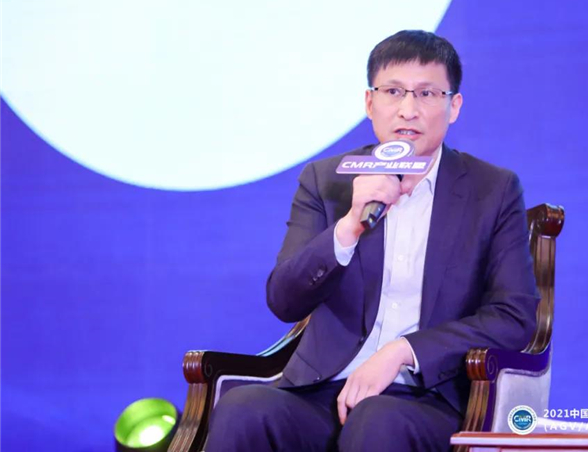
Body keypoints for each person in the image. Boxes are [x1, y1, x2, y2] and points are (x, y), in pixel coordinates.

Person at [205, 30, 539, 452]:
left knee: (377, 419)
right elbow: (284, 302)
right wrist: (348, 226)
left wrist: (405, 350)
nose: (407, 109)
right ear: (369, 103)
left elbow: (514, 317)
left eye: (426, 94)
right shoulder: (327, 179)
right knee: (243, 409)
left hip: (428, 398)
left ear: (453, 106)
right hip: (323, 389)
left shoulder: (491, 190)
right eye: (393, 91)